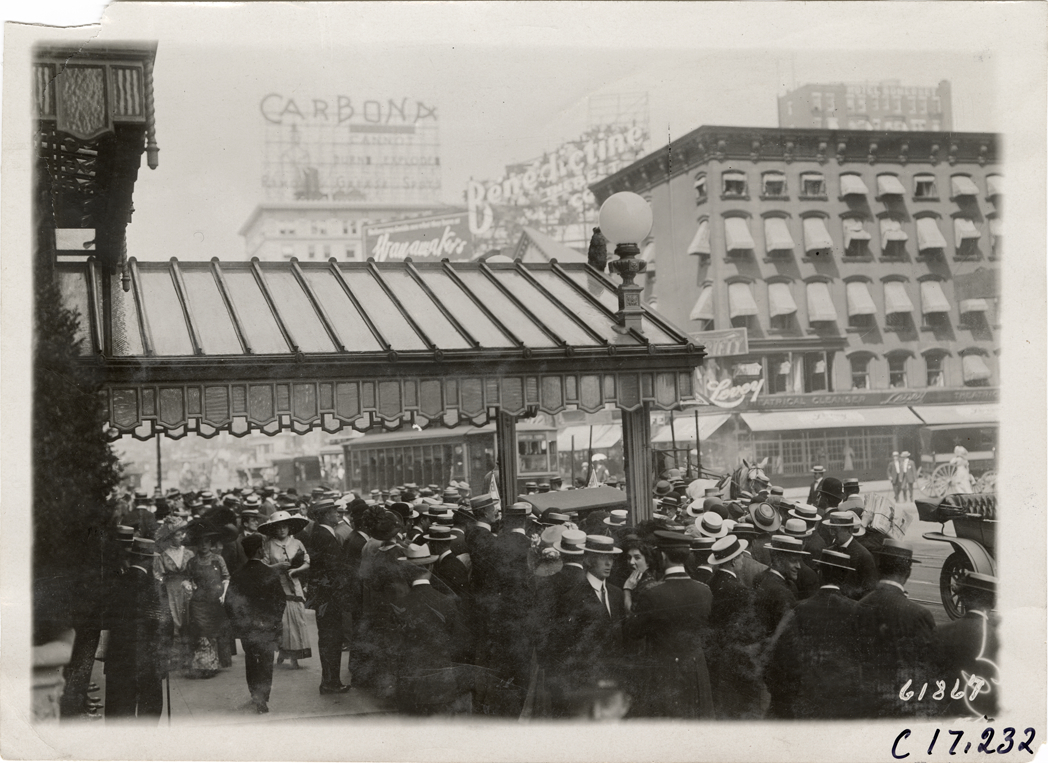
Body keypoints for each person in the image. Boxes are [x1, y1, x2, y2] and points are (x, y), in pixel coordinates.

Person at [623, 531, 714, 718]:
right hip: (696, 670)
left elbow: (632, 631)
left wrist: (627, 592)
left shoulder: (653, 593)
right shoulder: (704, 591)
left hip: (665, 672)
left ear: (663, 556)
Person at [764, 549, 863, 719]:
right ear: (845, 576)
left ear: (820, 572)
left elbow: (781, 655)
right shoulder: (857, 611)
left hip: (807, 699)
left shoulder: (799, 608)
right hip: (843, 700)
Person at [855, 540, 936, 717]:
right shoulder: (919, 614)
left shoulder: (858, 607)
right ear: (908, 571)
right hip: (902, 708)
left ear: (879, 567)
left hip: (864, 706)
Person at [548, 535, 625, 717]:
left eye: (611, 558)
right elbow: (564, 646)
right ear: (588, 559)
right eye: (602, 558)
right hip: (583, 683)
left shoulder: (616, 594)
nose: (608, 564)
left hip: (611, 680)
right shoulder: (572, 597)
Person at [391, 548, 473, 715]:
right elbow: (460, 641)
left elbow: (392, 645)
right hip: (440, 682)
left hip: (409, 682)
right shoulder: (446, 602)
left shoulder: (398, 605)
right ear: (431, 568)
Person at [224, 532, 286, 713]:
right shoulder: (270, 573)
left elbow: (229, 603)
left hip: (247, 627)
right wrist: (275, 621)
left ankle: (254, 694)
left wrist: (239, 623)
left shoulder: (238, 575)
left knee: (251, 659)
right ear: (260, 550)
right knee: (266, 661)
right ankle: (263, 697)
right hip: (266, 626)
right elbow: (280, 601)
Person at [104, 538, 164, 721]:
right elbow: (163, 625)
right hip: (148, 654)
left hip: (119, 654)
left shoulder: (115, 584)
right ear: (149, 560)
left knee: (119, 706)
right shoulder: (155, 587)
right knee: (149, 705)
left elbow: (106, 619)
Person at [706, 534, 762, 719]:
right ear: (731, 562)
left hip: (713, 652)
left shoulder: (710, 584)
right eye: (739, 557)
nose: (741, 560)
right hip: (734, 655)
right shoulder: (739, 590)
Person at [932, 572, 999, 718]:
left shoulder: (940, 631)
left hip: (951, 717)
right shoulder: (1001, 637)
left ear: (963, 597)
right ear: (993, 603)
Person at [258, 510, 313, 670]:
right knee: (283, 622)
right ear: (274, 529)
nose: (282, 530)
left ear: (289, 527)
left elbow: (307, 561)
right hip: (278, 586)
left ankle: (296, 656)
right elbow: (264, 565)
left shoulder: (297, 543)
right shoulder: (268, 545)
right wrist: (277, 567)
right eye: (278, 527)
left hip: (294, 585)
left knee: (298, 618)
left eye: (285, 527)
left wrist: (297, 570)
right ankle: (284, 651)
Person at [308, 499, 350, 694]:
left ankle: (330, 680)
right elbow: (333, 570)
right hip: (330, 597)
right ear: (325, 515)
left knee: (329, 639)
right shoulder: (324, 536)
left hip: (325, 596)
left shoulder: (321, 533)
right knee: (331, 639)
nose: (338, 514)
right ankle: (330, 682)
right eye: (334, 511)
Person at [184, 528, 232, 678]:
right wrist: (187, 584)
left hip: (215, 600)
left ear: (211, 543)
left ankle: (212, 663)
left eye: (207, 542)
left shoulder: (218, 559)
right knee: (200, 631)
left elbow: (226, 578)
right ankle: (201, 665)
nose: (204, 545)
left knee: (213, 631)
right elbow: (187, 578)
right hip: (198, 601)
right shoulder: (192, 562)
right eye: (200, 542)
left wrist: (224, 594)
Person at [154, 524, 194, 670]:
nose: (181, 537)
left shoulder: (189, 553)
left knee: (188, 620)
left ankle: (188, 656)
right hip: (170, 589)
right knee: (174, 621)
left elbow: (193, 571)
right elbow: (158, 575)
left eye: (182, 534)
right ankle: (176, 657)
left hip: (186, 588)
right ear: (170, 537)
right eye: (178, 535)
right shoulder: (163, 555)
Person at [753, 535, 806, 640]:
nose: (798, 566)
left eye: (799, 561)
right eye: (793, 561)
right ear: (778, 560)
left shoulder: (760, 578)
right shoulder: (782, 592)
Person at [824, 511, 878, 600]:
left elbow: (869, 590)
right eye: (831, 530)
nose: (832, 534)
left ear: (849, 531)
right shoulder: (828, 551)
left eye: (835, 530)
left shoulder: (864, 556)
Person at [620, 536, 657, 613]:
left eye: (637, 558)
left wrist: (627, 589)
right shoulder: (634, 580)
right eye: (629, 557)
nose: (631, 562)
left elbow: (631, 614)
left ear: (648, 561)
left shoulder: (648, 585)